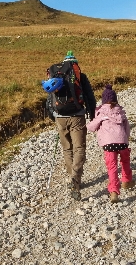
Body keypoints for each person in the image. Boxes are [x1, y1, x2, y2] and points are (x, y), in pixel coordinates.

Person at [45, 51, 96, 201]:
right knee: (79, 148)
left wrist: (52, 115)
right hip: (77, 115)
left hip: (59, 117)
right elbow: (89, 97)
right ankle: (75, 178)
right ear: (75, 64)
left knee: (67, 148)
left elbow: (49, 98)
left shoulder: (55, 77)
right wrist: (92, 114)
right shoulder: (80, 76)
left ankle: (71, 177)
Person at [87, 84, 135, 203]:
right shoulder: (120, 111)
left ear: (103, 100)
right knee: (125, 161)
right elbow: (127, 128)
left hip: (109, 144)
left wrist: (99, 120)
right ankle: (126, 180)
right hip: (122, 141)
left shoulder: (100, 112)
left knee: (112, 167)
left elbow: (91, 127)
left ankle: (114, 191)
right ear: (115, 99)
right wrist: (126, 139)